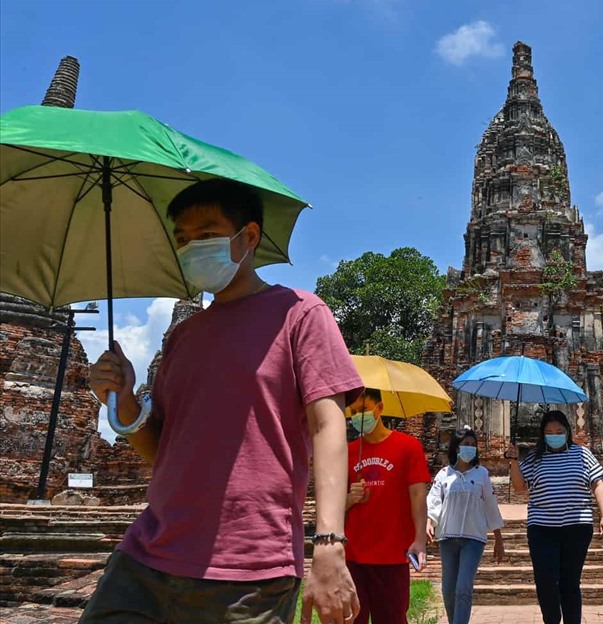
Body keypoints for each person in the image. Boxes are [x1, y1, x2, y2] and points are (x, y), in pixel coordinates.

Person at [82, 178, 364, 624]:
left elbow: (327, 425)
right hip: (148, 553)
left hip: (250, 564)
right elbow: (163, 449)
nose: (192, 247)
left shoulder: (300, 314)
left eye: (207, 235)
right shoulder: (182, 336)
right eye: (182, 239)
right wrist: (124, 401)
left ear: (248, 237)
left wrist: (329, 543)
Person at [506, 410, 603, 624]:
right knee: (545, 581)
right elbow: (520, 488)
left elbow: (598, 483)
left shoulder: (582, 454)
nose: (554, 435)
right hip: (542, 528)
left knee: (569, 582)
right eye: (549, 432)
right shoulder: (535, 457)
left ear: (567, 432)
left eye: (559, 431)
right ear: (542, 434)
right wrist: (514, 461)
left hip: (577, 526)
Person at [344, 388, 432, 624]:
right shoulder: (347, 452)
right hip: (353, 555)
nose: (358, 416)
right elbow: (331, 504)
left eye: (363, 409)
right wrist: (350, 499)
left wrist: (419, 539)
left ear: (380, 408)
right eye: (353, 412)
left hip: (392, 555)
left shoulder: (408, 447)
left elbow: (417, 494)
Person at [427, 427, 506, 624]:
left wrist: (498, 538)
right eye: (465, 445)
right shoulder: (444, 474)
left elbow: (490, 504)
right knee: (448, 589)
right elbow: (434, 501)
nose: (469, 448)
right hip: (447, 537)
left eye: (473, 445)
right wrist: (429, 522)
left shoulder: (481, 474)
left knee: (463, 587)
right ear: (456, 447)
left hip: (473, 538)